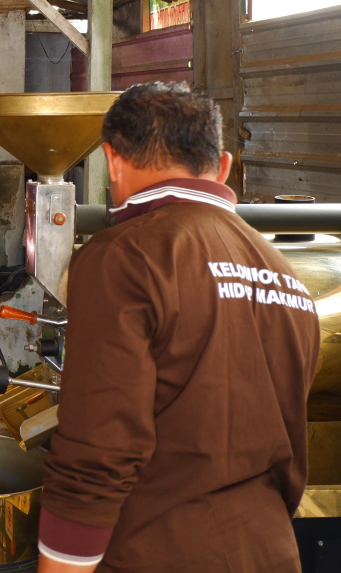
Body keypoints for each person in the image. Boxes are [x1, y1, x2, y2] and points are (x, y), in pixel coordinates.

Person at [36, 82, 321, 573]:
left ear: (113, 160)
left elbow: (98, 451)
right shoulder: (284, 272)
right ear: (224, 165)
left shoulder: (123, 256)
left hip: (157, 551)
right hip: (273, 550)